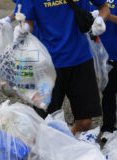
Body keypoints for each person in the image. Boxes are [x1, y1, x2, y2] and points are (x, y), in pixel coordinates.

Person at [14, 0, 110, 135]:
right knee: (44, 122)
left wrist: (100, 20)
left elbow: (104, 7)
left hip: (80, 59)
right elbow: (27, 22)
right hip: (47, 64)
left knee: (85, 122)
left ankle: (68, 142)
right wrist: (22, 30)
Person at [89, 1, 117, 142]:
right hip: (94, 54)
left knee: (110, 92)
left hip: (114, 51)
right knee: (105, 92)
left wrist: (104, 16)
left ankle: (109, 127)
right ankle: (106, 127)